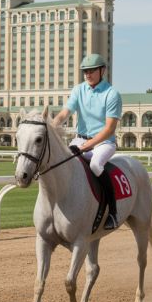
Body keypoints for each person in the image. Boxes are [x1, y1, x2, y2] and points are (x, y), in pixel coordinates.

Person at [51, 53, 123, 230]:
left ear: (102, 71)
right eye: (85, 71)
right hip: (81, 139)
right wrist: (51, 126)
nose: (88, 74)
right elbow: (65, 113)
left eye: (91, 71)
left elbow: (109, 129)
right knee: (63, 163)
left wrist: (87, 146)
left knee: (95, 166)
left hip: (104, 143)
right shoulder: (78, 90)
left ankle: (113, 212)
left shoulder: (112, 94)